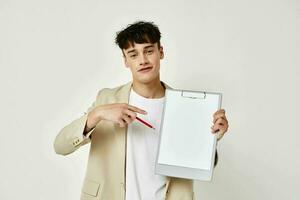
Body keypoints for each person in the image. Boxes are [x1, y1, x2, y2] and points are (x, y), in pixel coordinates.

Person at [54, 21, 229, 200]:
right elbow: (60, 146)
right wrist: (97, 114)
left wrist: (211, 139)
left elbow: (203, 166)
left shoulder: (186, 107)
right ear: (126, 61)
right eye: (133, 54)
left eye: (149, 51)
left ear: (161, 52)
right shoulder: (107, 100)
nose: (143, 60)